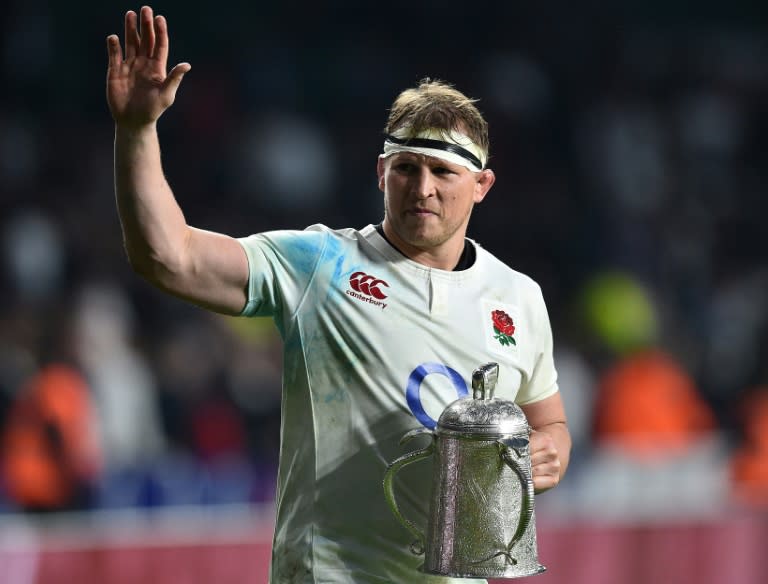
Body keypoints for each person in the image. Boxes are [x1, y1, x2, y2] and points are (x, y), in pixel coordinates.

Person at [106, 6, 571, 583]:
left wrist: (550, 452)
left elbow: (550, 423)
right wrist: (136, 130)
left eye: (442, 173)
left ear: (481, 186)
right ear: (381, 173)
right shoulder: (319, 263)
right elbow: (166, 256)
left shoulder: (518, 297)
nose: (421, 188)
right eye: (406, 168)